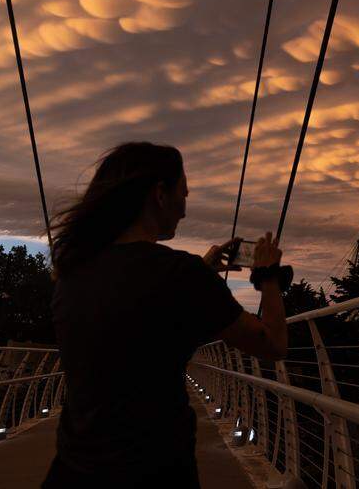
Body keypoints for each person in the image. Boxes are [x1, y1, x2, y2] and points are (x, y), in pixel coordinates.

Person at [43, 142, 287, 488]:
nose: (184, 210)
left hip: (73, 470)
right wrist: (269, 277)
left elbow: (135, 306)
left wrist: (202, 271)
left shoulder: (71, 274)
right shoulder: (180, 275)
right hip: (153, 470)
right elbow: (273, 343)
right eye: (183, 194)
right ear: (160, 194)